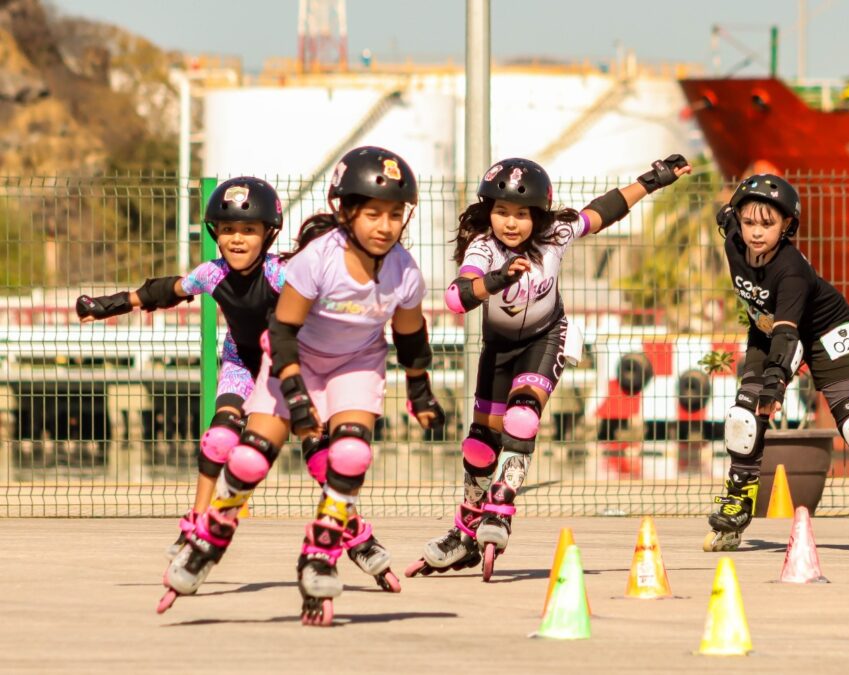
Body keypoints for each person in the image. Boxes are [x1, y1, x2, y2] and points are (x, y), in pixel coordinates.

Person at [168, 146, 444, 626]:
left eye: (395, 215)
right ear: (346, 211)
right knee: (250, 459)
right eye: (373, 214)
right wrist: (295, 396)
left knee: (351, 455)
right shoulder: (318, 259)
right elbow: (281, 330)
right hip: (296, 358)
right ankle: (209, 538)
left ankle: (320, 553)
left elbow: (410, 335)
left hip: (357, 363)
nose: (385, 226)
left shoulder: (405, 271)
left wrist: (420, 390)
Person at [406, 154, 692, 582]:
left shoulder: (556, 233)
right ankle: (465, 531)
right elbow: (456, 297)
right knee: (479, 447)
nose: (511, 223)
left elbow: (603, 210)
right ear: (489, 211)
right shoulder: (483, 246)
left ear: (538, 216)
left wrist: (652, 181)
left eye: (522, 214)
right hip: (499, 348)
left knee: (522, 418)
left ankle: (501, 506)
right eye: (502, 212)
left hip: (546, 338)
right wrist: (498, 279)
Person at [74, 177, 285, 562]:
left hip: (284, 364)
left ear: (268, 234)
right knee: (219, 439)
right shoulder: (213, 273)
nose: (237, 239)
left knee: (311, 450)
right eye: (227, 230)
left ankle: (348, 528)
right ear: (216, 234)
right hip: (240, 360)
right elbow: (166, 291)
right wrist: (109, 305)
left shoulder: (281, 274)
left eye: (248, 230)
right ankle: (196, 523)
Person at [704, 173, 849, 552]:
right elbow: (727, 214)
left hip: (824, 329)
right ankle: (738, 500)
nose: (756, 232)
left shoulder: (792, 271)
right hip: (768, 329)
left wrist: (775, 383)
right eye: (749, 222)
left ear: (787, 225)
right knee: (743, 416)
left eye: (767, 224)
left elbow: (789, 337)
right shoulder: (734, 239)